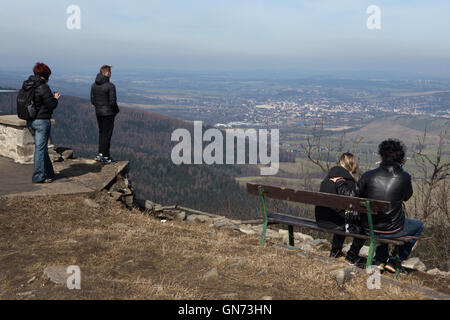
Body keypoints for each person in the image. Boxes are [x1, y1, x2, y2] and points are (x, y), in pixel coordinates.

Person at [358, 139, 424, 273]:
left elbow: (356, 198)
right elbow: (407, 197)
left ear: (381, 156)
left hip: (369, 227)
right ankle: (395, 261)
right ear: (400, 158)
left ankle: (380, 260)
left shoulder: (367, 176)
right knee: (419, 225)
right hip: (392, 228)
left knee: (382, 218)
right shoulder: (404, 176)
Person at [315, 152, 366, 267]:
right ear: (352, 165)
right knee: (364, 227)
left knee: (340, 215)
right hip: (335, 223)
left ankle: (336, 251)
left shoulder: (328, 178)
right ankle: (352, 255)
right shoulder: (348, 181)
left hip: (321, 220)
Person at [23, 62, 60, 183]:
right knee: (40, 149)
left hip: (30, 120)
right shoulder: (43, 87)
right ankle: (39, 176)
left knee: (41, 148)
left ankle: (49, 173)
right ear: (46, 74)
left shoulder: (27, 85)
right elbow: (51, 105)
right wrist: (55, 98)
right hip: (41, 121)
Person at [90, 65, 119, 164]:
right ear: (107, 73)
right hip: (108, 113)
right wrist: (115, 111)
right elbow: (112, 102)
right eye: (110, 72)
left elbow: (92, 100)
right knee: (107, 134)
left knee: (102, 133)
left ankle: (100, 154)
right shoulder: (110, 86)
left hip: (98, 112)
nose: (110, 74)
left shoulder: (94, 85)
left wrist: (99, 107)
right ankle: (105, 156)